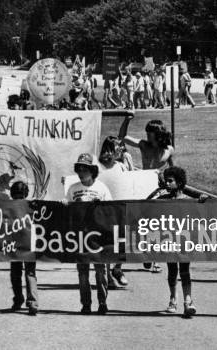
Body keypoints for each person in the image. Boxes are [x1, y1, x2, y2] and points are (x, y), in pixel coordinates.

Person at [147, 166, 207, 316]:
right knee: (172, 270)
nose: (167, 184)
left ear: (179, 183)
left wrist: (202, 201)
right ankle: (173, 298)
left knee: (185, 271)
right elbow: (146, 207)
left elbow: (201, 216)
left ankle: (188, 300)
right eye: (166, 181)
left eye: (170, 181)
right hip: (169, 240)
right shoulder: (163, 200)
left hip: (184, 241)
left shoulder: (189, 201)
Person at [119, 117, 173, 272]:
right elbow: (123, 138)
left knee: (156, 225)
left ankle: (153, 258)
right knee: (140, 225)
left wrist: (174, 185)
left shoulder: (169, 149)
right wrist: (127, 120)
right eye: (147, 133)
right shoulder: (143, 145)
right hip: (143, 187)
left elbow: (173, 168)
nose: (148, 136)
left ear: (159, 133)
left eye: (150, 133)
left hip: (160, 189)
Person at [66, 153, 112, 314]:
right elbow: (67, 212)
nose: (81, 172)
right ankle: (86, 303)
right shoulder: (73, 189)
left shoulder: (101, 188)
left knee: (101, 271)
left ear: (92, 170)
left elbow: (111, 211)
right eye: (78, 168)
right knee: (83, 272)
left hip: (98, 237)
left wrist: (99, 208)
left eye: (84, 168)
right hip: (80, 236)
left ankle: (102, 302)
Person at [97, 136, 131, 289]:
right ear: (109, 149)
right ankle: (108, 275)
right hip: (105, 209)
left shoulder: (121, 166)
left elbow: (133, 182)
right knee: (108, 244)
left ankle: (118, 269)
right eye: (118, 148)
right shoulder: (97, 166)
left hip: (122, 209)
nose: (121, 151)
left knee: (124, 242)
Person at [9, 181, 39, 315]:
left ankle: (32, 301)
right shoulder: (8, 208)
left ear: (25, 195)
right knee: (16, 273)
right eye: (16, 196)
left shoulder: (32, 206)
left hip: (28, 245)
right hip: (14, 244)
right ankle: (19, 299)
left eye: (21, 195)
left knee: (29, 272)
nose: (19, 198)